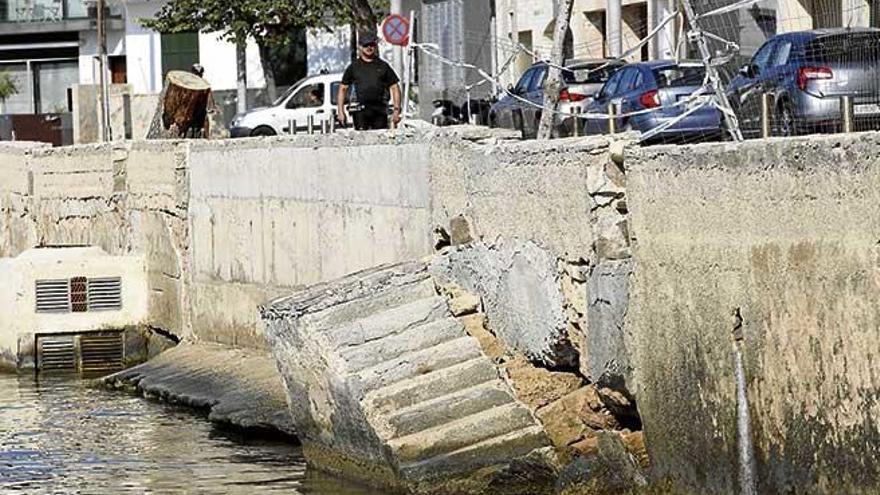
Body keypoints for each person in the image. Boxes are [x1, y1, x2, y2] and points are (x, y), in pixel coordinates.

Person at [337, 33, 401, 130]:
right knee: (362, 140)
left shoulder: (383, 66)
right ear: (360, 47)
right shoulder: (354, 67)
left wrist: (396, 110)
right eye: (366, 45)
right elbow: (343, 88)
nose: (369, 48)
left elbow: (394, 87)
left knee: (380, 139)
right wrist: (340, 111)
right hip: (360, 112)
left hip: (380, 110)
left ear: (375, 46)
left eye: (371, 45)